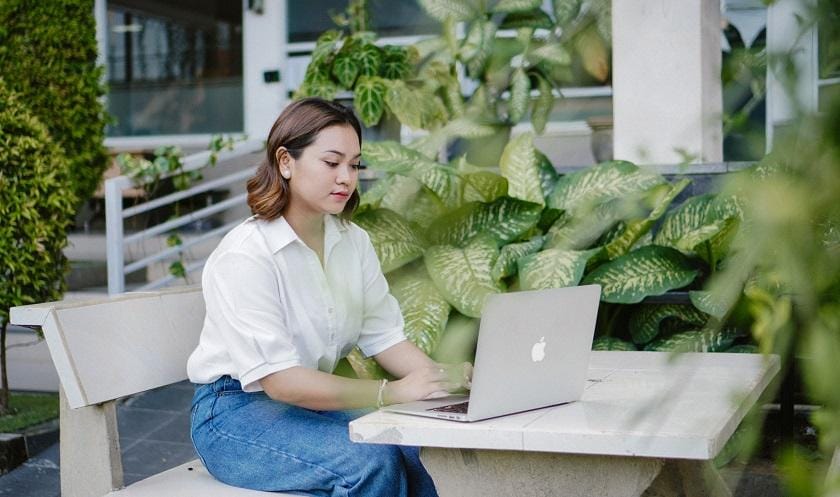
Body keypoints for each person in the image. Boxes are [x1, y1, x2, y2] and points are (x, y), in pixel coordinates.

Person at [187, 97, 471, 496]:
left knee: (414, 447)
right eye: (332, 162)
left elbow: (385, 336)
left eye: (354, 165)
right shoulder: (246, 254)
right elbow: (281, 382)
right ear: (285, 162)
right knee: (368, 461)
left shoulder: (352, 242)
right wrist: (388, 393)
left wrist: (445, 385)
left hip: (307, 403)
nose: (346, 178)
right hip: (233, 413)